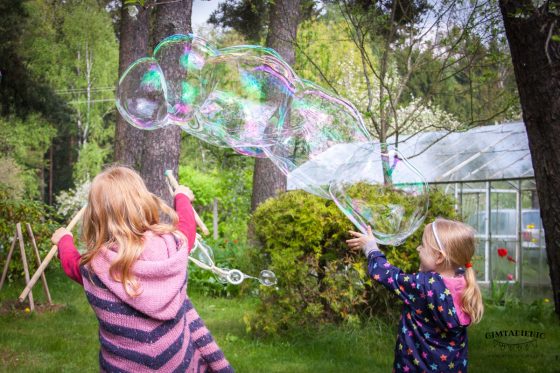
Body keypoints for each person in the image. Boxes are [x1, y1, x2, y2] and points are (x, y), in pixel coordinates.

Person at [51, 166, 233, 372]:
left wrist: (64, 241)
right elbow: (187, 229)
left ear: (96, 216)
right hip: (176, 363)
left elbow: (71, 264)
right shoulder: (171, 245)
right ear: (143, 201)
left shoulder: (95, 267)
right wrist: (182, 198)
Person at [347, 218, 483, 372]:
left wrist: (371, 248)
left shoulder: (423, 285)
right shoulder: (464, 282)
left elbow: (385, 274)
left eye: (423, 245)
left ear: (439, 257)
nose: (418, 249)